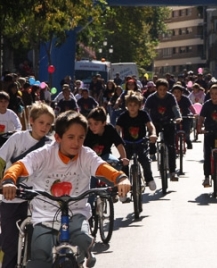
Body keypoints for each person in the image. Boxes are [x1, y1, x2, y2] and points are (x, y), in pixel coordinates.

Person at [1, 111, 131, 268]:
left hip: (76, 214)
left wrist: (121, 178)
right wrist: (9, 181)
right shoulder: (44, 154)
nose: (76, 142)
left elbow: (103, 168)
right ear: (58, 138)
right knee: (40, 257)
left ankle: (87, 252)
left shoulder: (86, 155)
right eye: (70, 137)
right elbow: (19, 166)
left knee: (82, 236)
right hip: (45, 217)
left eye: (81, 137)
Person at [0, 102, 54, 268]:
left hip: (38, 200)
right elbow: (1, 160)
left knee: (38, 246)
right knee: (9, 244)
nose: (44, 127)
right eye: (41, 122)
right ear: (31, 120)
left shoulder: (50, 145)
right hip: (12, 198)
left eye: (48, 124)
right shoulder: (18, 138)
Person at [84, 107, 130, 204]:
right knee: (91, 183)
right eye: (90, 124)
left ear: (104, 123)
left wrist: (123, 158)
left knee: (116, 163)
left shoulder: (109, 129)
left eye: (96, 124)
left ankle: (116, 189)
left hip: (105, 156)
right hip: (91, 160)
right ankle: (90, 208)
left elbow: (119, 144)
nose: (92, 127)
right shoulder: (87, 132)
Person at [116, 91, 158, 192]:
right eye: (130, 105)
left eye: (135, 105)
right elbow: (117, 129)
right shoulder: (123, 116)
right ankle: (123, 187)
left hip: (141, 142)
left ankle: (149, 179)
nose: (132, 107)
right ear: (126, 105)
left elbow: (150, 126)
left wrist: (153, 134)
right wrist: (116, 139)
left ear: (139, 105)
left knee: (145, 160)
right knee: (123, 163)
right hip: (127, 143)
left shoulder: (143, 114)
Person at [144, 79, 182, 181]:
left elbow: (175, 108)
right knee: (152, 137)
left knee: (171, 146)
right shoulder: (151, 98)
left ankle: (173, 171)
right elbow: (146, 111)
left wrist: (178, 117)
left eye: (164, 89)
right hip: (154, 122)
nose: (162, 92)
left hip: (168, 122)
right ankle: (152, 152)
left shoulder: (170, 97)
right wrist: (145, 121)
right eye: (160, 89)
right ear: (156, 89)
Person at [171, 84, 194, 149]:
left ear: (182, 93)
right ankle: (174, 145)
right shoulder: (170, 99)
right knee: (174, 131)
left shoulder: (185, 99)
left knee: (186, 130)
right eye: (174, 92)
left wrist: (195, 113)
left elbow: (191, 107)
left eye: (178, 92)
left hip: (185, 116)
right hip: (175, 118)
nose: (176, 94)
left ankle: (188, 140)